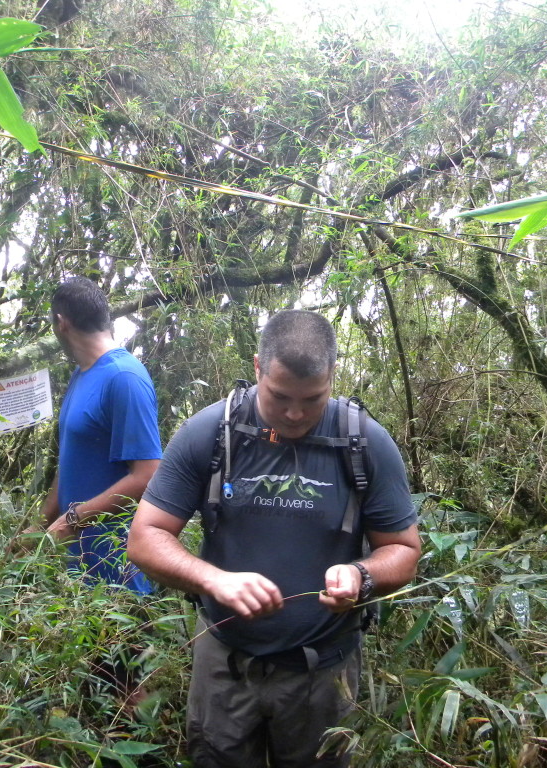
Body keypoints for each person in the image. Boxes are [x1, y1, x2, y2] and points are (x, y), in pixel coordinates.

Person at [128, 310, 421, 768]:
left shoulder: (363, 441)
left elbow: (403, 550)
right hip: (226, 666)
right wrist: (213, 580)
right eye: (280, 396)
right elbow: (145, 537)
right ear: (258, 368)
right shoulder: (211, 432)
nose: (295, 414)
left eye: (313, 399)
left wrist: (361, 575)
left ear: (332, 377)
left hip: (321, 671)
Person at [37, 276, 162, 595]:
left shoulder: (124, 378)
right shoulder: (81, 374)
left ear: (61, 323)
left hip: (117, 568)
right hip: (78, 569)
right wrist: (38, 526)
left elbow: (147, 475)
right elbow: (71, 461)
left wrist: (72, 519)